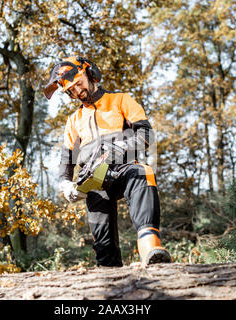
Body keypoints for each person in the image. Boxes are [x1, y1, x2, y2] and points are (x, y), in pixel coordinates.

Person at [44, 56, 171, 267]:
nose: (77, 91)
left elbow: (146, 134)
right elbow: (66, 159)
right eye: (71, 90)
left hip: (123, 167)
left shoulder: (120, 100)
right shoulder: (74, 120)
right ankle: (109, 277)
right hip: (94, 179)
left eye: (79, 84)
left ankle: (150, 247)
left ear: (90, 74)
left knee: (142, 173)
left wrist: (121, 147)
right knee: (102, 242)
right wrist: (65, 184)